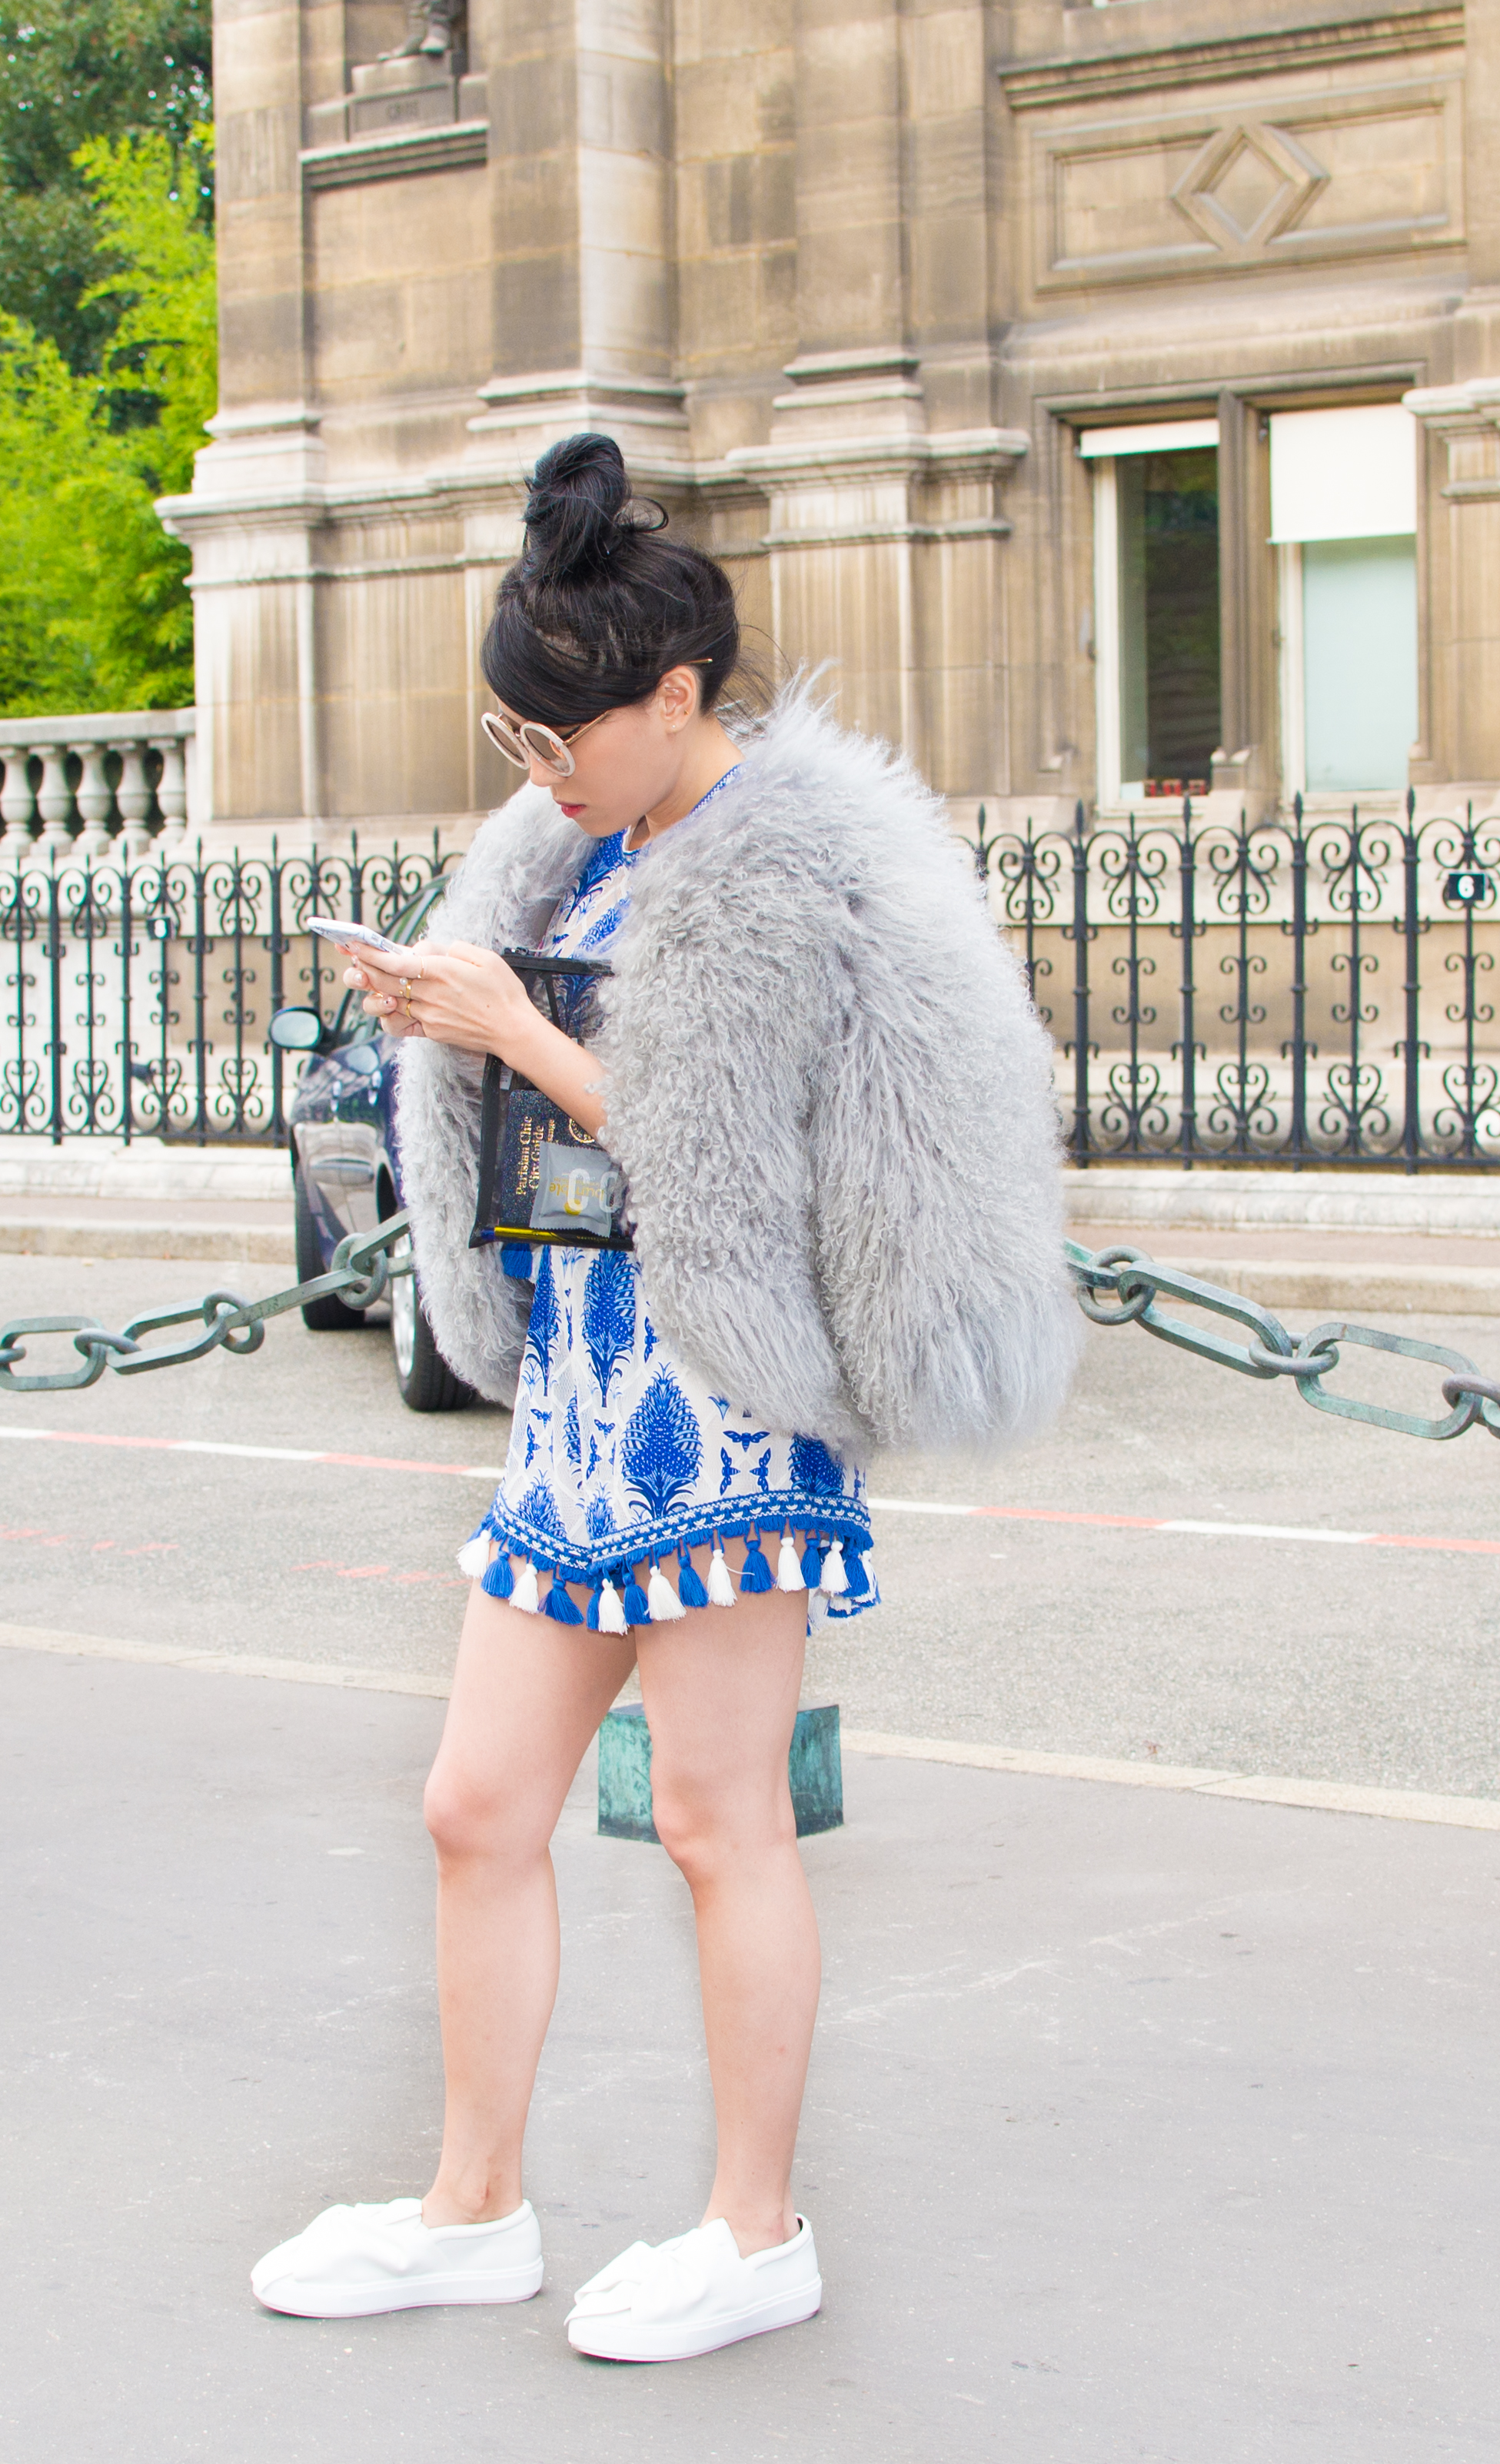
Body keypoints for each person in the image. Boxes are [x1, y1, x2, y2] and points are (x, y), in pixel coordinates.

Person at [248, 433, 1077, 2363]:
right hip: (575, 1397)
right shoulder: (582, 850)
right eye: (513, 738)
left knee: (717, 1826)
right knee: (474, 1807)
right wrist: (450, 1026)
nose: (535, 771)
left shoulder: (793, 871)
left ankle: (753, 2232)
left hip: (723, 1400)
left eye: (560, 737)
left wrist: (517, 1028)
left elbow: (743, 1168)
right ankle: (470, 2209)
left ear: (677, 696)